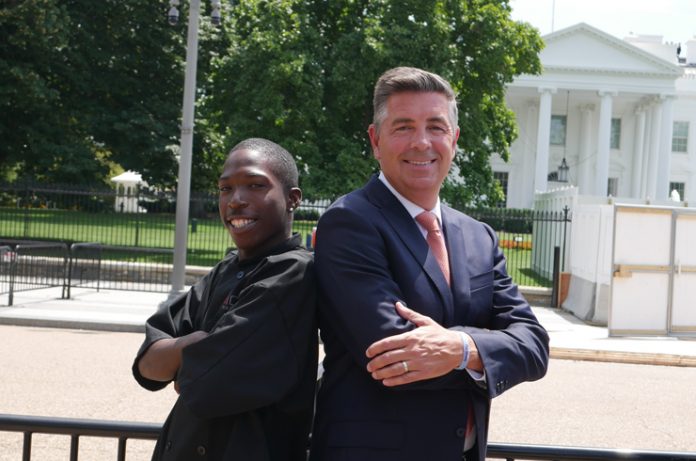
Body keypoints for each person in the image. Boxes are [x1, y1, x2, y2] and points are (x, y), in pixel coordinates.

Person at [309, 67, 550, 461]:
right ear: (375, 140)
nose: (422, 142)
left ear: (453, 139)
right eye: (403, 127)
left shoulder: (478, 237)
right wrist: (489, 351)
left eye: (435, 127)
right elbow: (392, 357)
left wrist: (460, 347)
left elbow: (535, 346)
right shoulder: (350, 222)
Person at [132, 138, 317, 461]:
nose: (236, 200)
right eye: (225, 189)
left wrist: (180, 360)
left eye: (255, 185)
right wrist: (198, 344)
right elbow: (147, 365)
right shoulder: (225, 270)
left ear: (292, 199)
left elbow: (206, 387)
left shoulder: (295, 273)